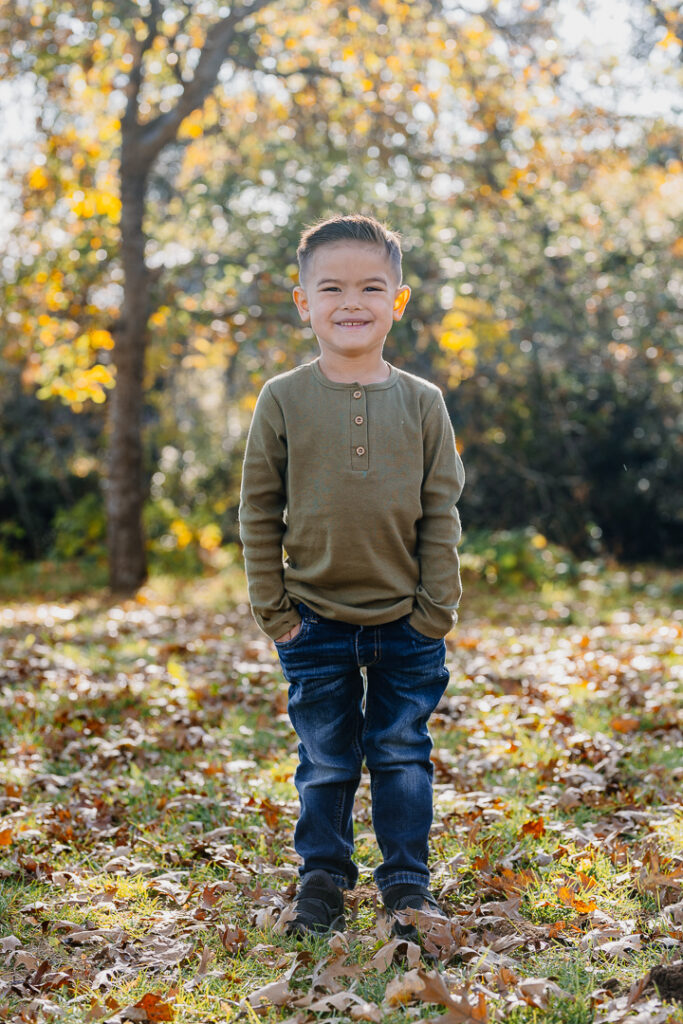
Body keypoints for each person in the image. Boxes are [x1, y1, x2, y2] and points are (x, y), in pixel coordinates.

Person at [239, 214, 465, 939]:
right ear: (303, 302)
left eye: (371, 286)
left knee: (400, 755)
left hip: (406, 622)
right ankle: (322, 880)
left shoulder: (423, 402)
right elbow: (257, 511)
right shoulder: (282, 398)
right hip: (314, 619)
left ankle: (405, 884)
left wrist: (435, 609)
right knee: (326, 760)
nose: (351, 301)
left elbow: (441, 509)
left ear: (397, 301)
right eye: (331, 286)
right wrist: (275, 611)